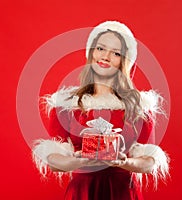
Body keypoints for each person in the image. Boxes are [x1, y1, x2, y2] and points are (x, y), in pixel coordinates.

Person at [32, 21, 169, 200]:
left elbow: (148, 163)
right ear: (91, 52)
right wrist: (79, 161)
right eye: (101, 48)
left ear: (125, 61)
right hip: (82, 192)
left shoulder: (139, 106)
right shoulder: (67, 105)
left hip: (123, 193)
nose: (105, 56)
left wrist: (124, 162)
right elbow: (54, 162)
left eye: (116, 53)